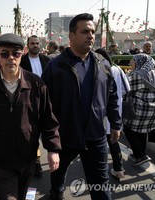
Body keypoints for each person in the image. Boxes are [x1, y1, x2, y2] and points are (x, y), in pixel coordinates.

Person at [42, 13, 121, 200]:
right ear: (71, 36)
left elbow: (112, 95)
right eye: (85, 31)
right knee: (57, 182)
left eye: (92, 31)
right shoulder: (55, 66)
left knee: (101, 187)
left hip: (96, 137)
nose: (91, 35)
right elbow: (45, 107)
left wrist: (116, 123)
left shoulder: (102, 65)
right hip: (65, 137)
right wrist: (51, 143)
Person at [0, 33, 61, 200]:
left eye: (16, 53)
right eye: (5, 53)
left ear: (23, 54)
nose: (11, 58)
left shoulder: (36, 84)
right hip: (0, 159)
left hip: (27, 157)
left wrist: (53, 149)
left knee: (22, 195)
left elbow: (48, 119)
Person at [95, 48, 130, 179]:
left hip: (100, 111)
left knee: (99, 141)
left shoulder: (98, 68)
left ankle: (101, 170)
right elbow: (127, 89)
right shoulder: (117, 69)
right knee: (114, 141)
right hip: (116, 110)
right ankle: (119, 168)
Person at [20, 34, 50, 177]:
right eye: (32, 43)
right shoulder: (22, 61)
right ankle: (36, 163)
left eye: (37, 43)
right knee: (31, 135)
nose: (35, 45)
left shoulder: (46, 60)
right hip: (28, 102)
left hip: (45, 102)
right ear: (28, 45)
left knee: (48, 131)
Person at [123, 53, 155, 166]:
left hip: (139, 109)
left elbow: (125, 87)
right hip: (153, 110)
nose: (130, 64)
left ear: (140, 62)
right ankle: (138, 154)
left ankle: (141, 155)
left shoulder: (137, 75)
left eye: (133, 61)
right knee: (142, 131)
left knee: (128, 129)